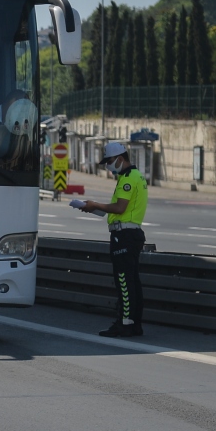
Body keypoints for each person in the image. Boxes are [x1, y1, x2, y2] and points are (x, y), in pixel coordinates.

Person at [73, 141, 149, 337]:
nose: (108, 165)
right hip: (132, 234)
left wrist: (94, 204)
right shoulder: (137, 176)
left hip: (124, 236)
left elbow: (119, 208)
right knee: (132, 281)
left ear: (120, 159)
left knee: (123, 281)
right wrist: (95, 208)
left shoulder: (127, 178)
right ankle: (134, 324)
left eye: (110, 161)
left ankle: (124, 324)